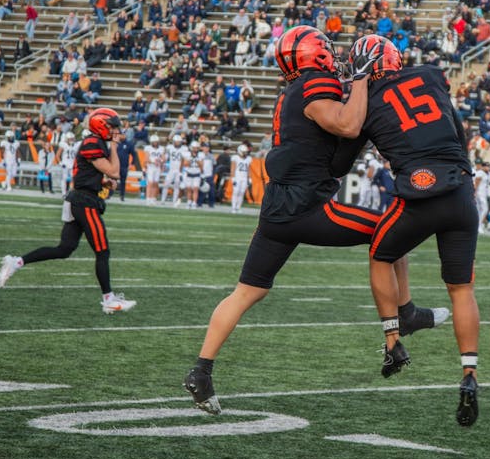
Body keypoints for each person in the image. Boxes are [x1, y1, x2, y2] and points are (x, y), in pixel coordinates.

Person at [182, 27, 447, 416]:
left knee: (248, 291)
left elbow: (339, 157)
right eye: (325, 48)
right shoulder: (313, 83)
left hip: (279, 206)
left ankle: (200, 372)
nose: (332, 53)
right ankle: (404, 314)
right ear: (313, 54)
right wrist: (359, 80)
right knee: (391, 232)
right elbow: (347, 125)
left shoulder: (297, 88)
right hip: (304, 205)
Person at [338, 34, 480, 427]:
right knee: (461, 289)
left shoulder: (365, 103)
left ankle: (392, 340)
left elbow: (345, 150)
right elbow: (456, 129)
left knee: (381, 253)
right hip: (459, 191)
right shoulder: (431, 77)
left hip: (416, 195)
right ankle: (469, 373)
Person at [0, 108, 136, 315]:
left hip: (80, 198)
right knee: (102, 250)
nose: (116, 130)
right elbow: (114, 171)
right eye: (112, 126)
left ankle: (16, 262)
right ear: (102, 126)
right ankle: (108, 299)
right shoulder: (92, 143)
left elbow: (90, 173)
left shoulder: (94, 143)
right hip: (84, 202)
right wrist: (114, 148)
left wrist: (103, 181)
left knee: (64, 249)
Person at [230, 142, 252, 214]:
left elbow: (249, 169)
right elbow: (233, 168)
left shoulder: (248, 158)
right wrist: (233, 178)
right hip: (237, 178)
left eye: (246, 152)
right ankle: (233, 207)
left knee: (242, 193)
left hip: (244, 178)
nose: (245, 153)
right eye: (244, 152)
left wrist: (249, 178)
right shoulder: (235, 158)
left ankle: (238, 207)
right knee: (236, 192)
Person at [473, 160, 490, 233]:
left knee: (481, 210)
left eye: (488, 166)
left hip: (485, 193)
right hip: (479, 193)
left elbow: (488, 182)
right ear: (483, 167)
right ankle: (479, 225)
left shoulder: (489, 174)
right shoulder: (480, 173)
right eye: (486, 166)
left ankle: (478, 225)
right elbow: (476, 184)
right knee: (484, 209)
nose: (488, 168)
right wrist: (474, 193)